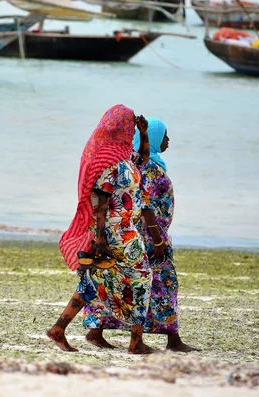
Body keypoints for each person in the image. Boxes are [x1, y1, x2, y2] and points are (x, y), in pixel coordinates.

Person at [47, 104, 154, 355]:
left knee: (92, 283)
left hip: (125, 229)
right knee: (142, 277)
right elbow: (102, 202)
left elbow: (143, 160)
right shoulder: (109, 161)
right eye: (129, 126)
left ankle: (58, 329)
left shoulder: (124, 158)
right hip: (119, 233)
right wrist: (100, 238)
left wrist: (144, 133)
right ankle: (136, 342)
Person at [133, 118, 199, 352]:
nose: (169, 140)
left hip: (154, 234)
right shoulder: (148, 166)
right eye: (165, 135)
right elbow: (146, 204)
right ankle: (173, 340)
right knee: (166, 284)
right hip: (153, 237)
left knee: (143, 286)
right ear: (153, 137)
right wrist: (158, 238)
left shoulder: (149, 163)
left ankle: (98, 330)